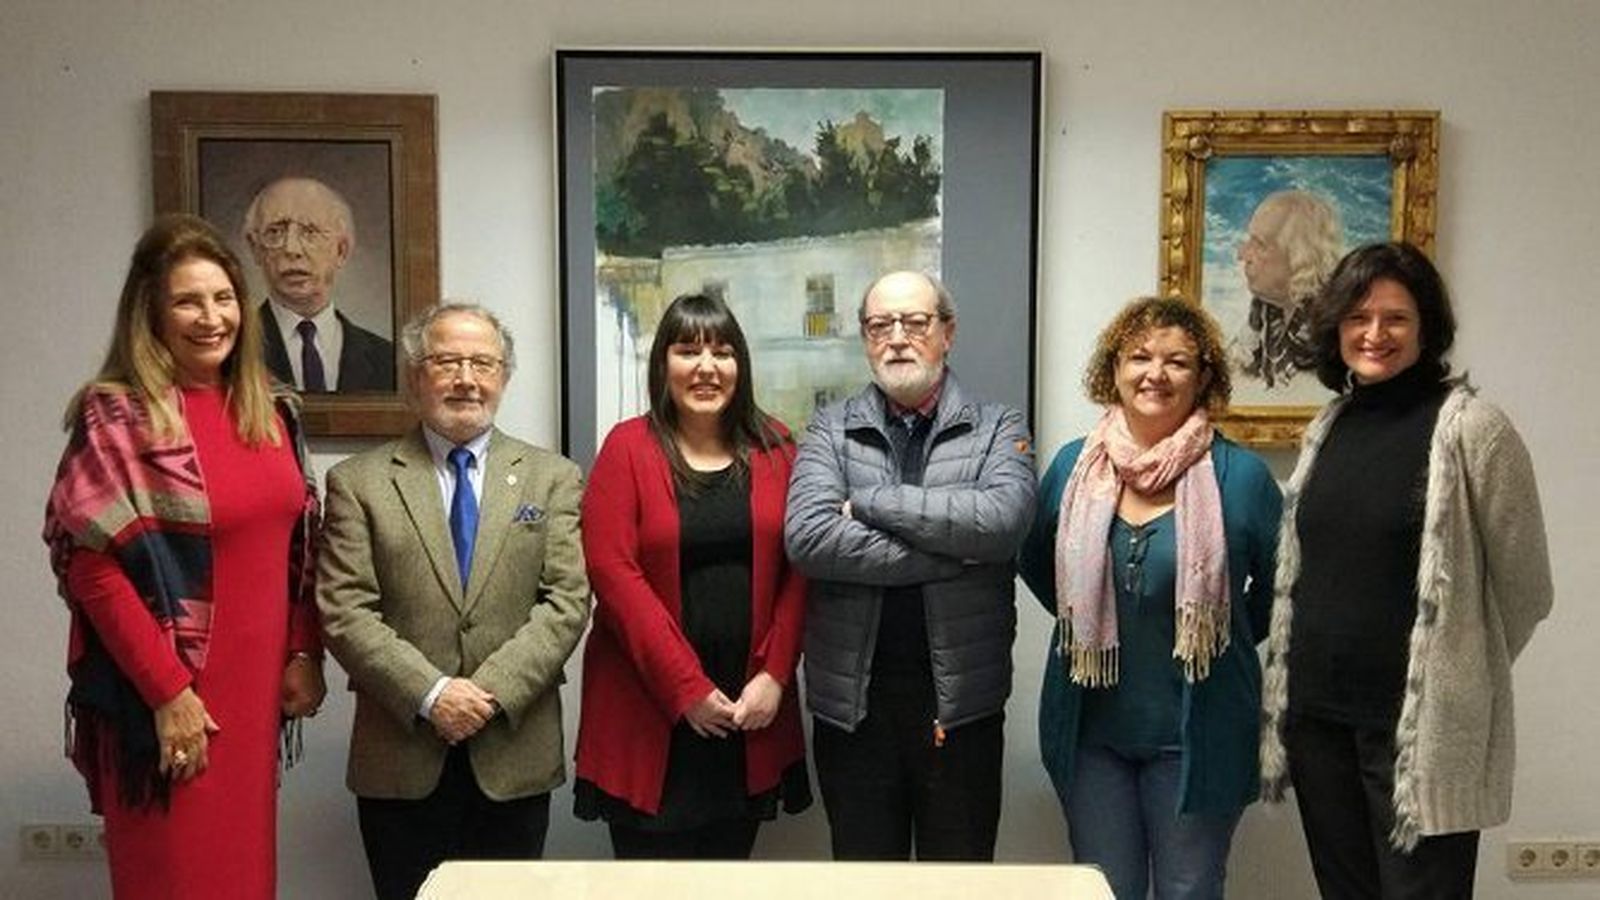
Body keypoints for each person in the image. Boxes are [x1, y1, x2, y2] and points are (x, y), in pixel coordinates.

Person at [42, 213, 325, 899]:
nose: (211, 317)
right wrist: (169, 693)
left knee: (243, 879)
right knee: (176, 879)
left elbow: (299, 546)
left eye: (223, 297)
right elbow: (91, 567)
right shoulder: (119, 416)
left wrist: (302, 650)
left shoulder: (272, 409)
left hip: (254, 697)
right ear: (151, 312)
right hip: (165, 695)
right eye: (187, 301)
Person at [1259, 242, 1554, 898]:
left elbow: (1528, 590)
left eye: (1396, 318)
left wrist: (1461, 668)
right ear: (1336, 328)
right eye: (1358, 317)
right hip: (1318, 724)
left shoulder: (1474, 430)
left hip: (1419, 736)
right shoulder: (1329, 426)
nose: (1375, 334)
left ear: (1427, 329)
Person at [316, 302, 591, 900]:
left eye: (482, 363)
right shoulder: (359, 482)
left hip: (512, 753)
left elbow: (567, 600)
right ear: (415, 376)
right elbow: (344, 609)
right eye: (447, 362)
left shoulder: (552, 477)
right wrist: (434, 694)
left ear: (504, 376)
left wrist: (486, 694)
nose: (467, 379)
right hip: (401, 754)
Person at [1018, 296, 1282, 900]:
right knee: (1105, 889)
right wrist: (1090, 623)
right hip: (1091, 736)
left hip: (1199, 736)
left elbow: (1283, 591)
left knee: (1190, 890)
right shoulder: (1072, 468)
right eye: (1138, 357)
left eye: (1177, 361)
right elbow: (1034, 561)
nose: (1155, 374)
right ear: (1113, 369)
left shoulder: (1241, 477)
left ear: (1204, 376)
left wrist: (1219, 633)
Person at [784, 270, 1035, 861]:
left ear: (947, 333)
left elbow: (1002, 523)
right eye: (880, 325)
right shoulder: (829, 429)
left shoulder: (999, 426)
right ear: (866, 339)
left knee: (960, 886)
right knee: (867, 885)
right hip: (854, 711)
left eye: (915, 323)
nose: (897, 338)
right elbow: (810, 538)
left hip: (962, 710)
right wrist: (950, 554)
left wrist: (870, 502)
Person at [574, 293, 811, 858]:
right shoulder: (627, 447)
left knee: (728, 878)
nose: (707, 367)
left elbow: (802, 570)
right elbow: (612, 572)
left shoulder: (778, 447)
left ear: (740, 366)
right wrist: (687, 688)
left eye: (722, 353)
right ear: (663, 364)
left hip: (748, 709)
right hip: (648, 707)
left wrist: (775, 676)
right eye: (687, 351)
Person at [243, 175, 396, 392]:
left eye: (310, 232)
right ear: (255, 249)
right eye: (275, 232)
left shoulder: (387, 360)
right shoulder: (234, 349)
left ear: (341, 251)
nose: (292, 249)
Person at [1233, 189, 1344, 388]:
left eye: (1260, 244)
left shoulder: (1333, 322)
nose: (1242, 255)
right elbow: (1237, 370)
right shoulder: (1266, 305)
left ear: (1299, 255)